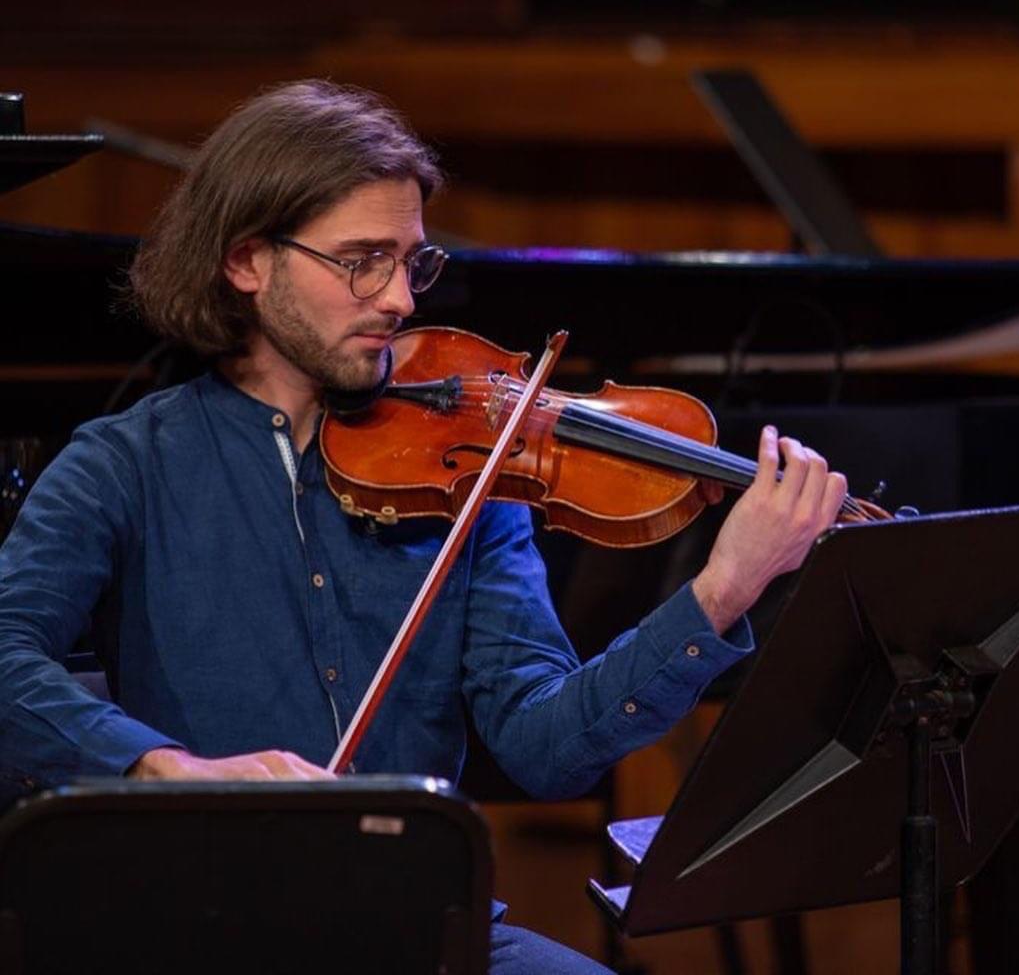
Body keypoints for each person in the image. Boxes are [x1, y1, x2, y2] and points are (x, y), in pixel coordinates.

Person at [0, 80, 847, 973]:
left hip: (418, 927)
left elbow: (545, 746)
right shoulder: (125, 463)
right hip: (201, 929)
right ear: (248, 262)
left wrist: (720, 592)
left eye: (412, 261)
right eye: (362, 260)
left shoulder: (471, 475)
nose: (401, 298)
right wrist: (169, 770)